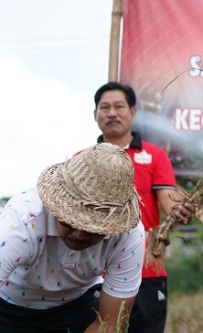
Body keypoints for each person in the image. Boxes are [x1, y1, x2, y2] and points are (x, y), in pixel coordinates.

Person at [0, 142, 145, 333]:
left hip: (77, 304)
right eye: (70, 222)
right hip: (9, 305)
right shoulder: (22, 220)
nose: (79, 235)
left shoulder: (128, 235)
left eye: (95, 229)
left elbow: (109, 323)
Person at [93, 82, 193, 333]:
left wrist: (181, 211)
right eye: (104, 107)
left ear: (133, 112)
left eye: (119, 106)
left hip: (147, 270)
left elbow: (170, 205)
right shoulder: (82, 160)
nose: (112, 113)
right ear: (95, 115)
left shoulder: (155, 155)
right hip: (95, 274)